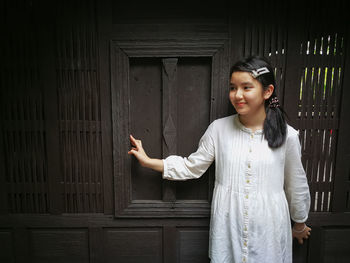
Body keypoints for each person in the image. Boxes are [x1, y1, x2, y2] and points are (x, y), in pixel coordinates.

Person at [128, 56, 311, 263]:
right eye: (233, 88)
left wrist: (299, 223)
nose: (237, 95)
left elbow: (297, 185)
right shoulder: (219, 129)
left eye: (246, 87)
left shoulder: (289, 136)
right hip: (228, 226)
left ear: (267, 92)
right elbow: (192, 167)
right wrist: (148, 161)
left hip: (269, 230)